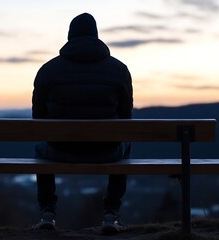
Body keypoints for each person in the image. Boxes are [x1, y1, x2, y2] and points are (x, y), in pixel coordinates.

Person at [32, 12, 133, 234]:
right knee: (126, 142)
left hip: (58, 150)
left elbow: (37, 120)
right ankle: (111, 215)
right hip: (107, 151)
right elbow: (126, 119)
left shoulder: (48, 70)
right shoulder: (119, 70)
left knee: (39, 145)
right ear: (96, 37)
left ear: (70, 37)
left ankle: (47, 213)